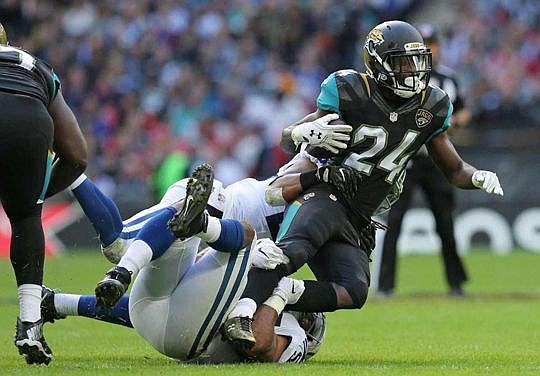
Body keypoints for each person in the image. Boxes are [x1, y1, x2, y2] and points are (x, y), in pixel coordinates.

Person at [225, 20, 503, 349]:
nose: (412, 71)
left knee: (353, 290)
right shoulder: (351, 90)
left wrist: (476, 176)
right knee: (294, 249)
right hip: (328, 189)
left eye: (417, 61)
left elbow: (454, 169)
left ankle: (284, 292)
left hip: (360, 214)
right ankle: (240, 312)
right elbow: (289, 139)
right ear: (378, 62)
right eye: (402, 62)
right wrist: (299, 134)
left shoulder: (432, 105)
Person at [42, 164, 324, 363]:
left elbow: (260, 343)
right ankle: (194, 224)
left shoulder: (290, 328)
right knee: (122, 245)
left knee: (129, 253)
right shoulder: (300, 193)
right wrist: (319, 172)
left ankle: (72, 170)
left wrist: (280, 295)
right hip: (216, 205)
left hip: (181, 310)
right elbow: (290, 177)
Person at [0, 23, 87, 365]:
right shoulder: (34, 64)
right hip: (30, 118)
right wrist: (31, 196)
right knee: (26, 218)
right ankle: (30, 322)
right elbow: (77, 155)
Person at [377, 24, 472, 297]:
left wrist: (449, 122)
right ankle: (385, 286)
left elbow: (464, 111)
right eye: (425, 43)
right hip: (406, 158)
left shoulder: (449, 80)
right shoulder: (400, 77)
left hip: (437, 159)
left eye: (433, 43)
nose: (430, 49)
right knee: (394, 221)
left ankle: (456, 284)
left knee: (445, 221)